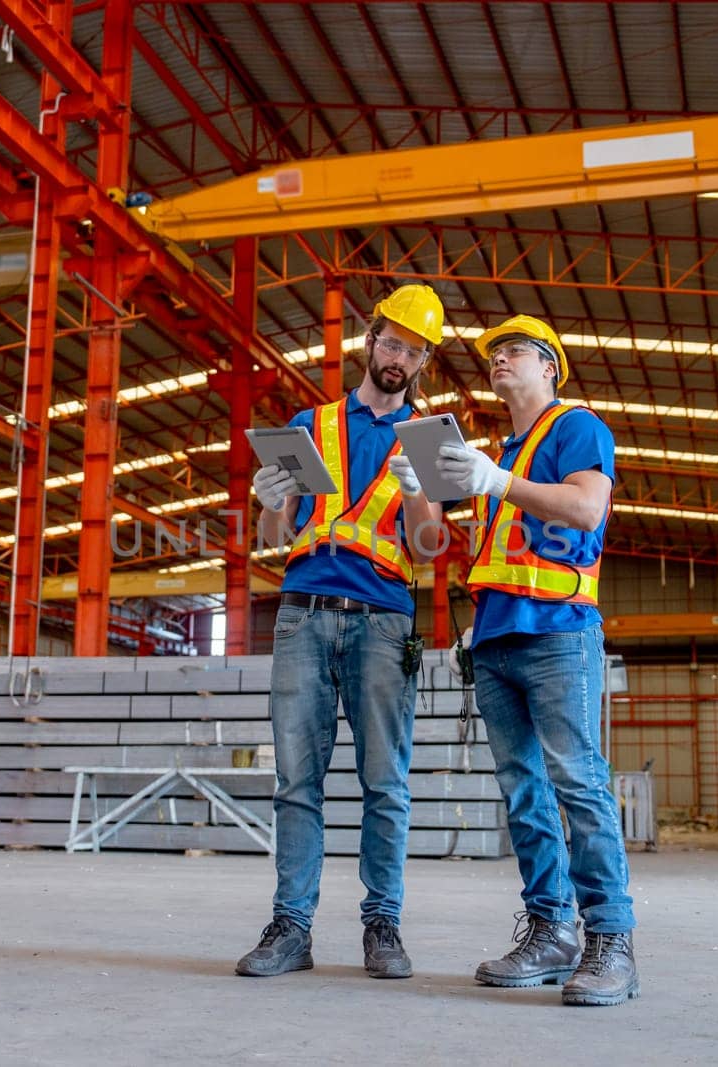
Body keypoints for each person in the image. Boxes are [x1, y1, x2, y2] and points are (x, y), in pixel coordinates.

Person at [235, 284, 444, 980]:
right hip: (302, 612)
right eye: (392, 342)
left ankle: (382, 926)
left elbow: (428, 545)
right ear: (370, 339)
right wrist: (267, 504)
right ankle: (291, 926)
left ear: (423, 364)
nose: (400, 358)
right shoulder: (312, 423)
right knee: (297, 779)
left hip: (383, 620)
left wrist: (418, 490)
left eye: (414, 351)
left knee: (386, 781)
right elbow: (276, 534)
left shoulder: (428, 438)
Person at [435, 313, 640, 1007]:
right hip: (495, 639)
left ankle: (610, 937)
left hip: (558, 632)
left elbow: (586, 510)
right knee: (524, 793)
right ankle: (550, 930)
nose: (498, 358)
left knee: (577, 781)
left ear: (550, 366)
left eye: (514, 349)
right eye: (493, 352)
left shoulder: (577, 428)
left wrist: (494, 481)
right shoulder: (502, 455)